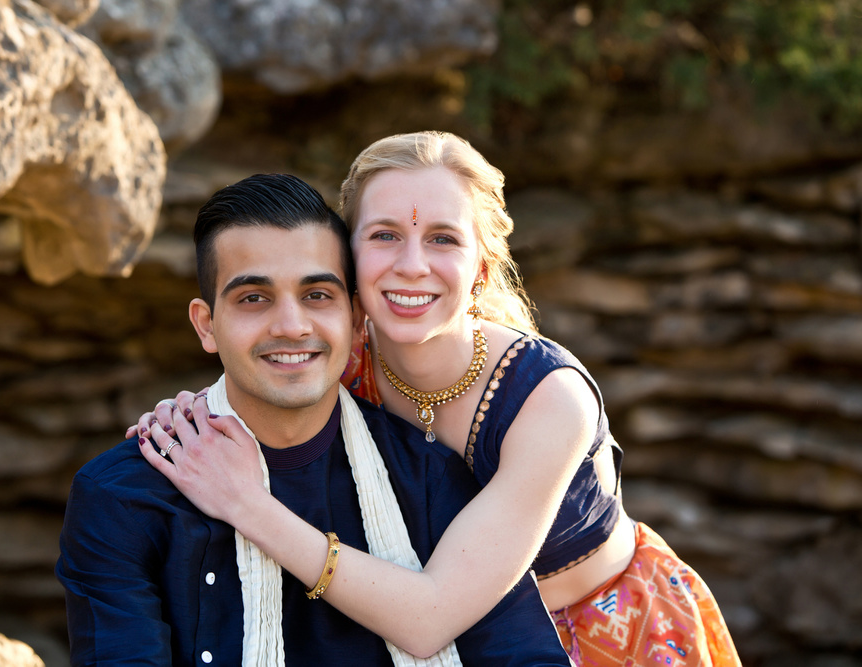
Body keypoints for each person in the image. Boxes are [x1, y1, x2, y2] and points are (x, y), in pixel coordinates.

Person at [136, 132, 742, 665]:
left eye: (443, 239)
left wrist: (248, 505)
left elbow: (429, 618)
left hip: (602, 637)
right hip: (414, 631)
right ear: (349, 257)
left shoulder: (548, 399)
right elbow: (251, 383)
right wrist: (194, 420)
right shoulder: (341, 359)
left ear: (481, 268)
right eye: (385, 235)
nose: (411, 265)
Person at [57, 173, 572, 666]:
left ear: (354, 317)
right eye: (253, 298)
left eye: (317, 295)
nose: (291, 325)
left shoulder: (430, 477)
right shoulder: (125, 496)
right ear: (206, 325)